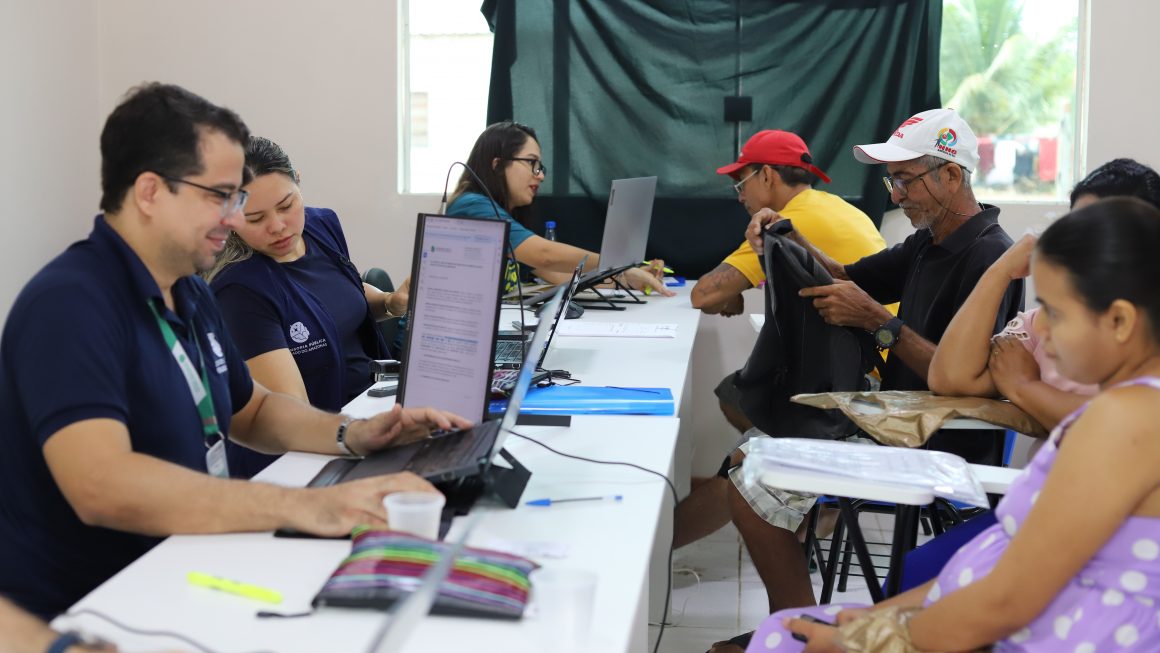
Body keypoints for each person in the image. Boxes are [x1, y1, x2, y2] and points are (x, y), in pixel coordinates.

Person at [0, 83, 471, 620]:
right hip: (94, 608)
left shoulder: (189, 291)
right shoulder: (71, 304)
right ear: (150, 192)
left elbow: (254, 409)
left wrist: (353, 434)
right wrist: (305, 505)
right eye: (219, 196)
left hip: (187, 560)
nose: (233, 217)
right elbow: (101, 485)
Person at [749, 196, 1160, 652]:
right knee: (789, 632)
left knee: (782, 639)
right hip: (983, 613)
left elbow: (1007, 600)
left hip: (1055, 634)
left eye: (1055, 313)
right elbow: (1007, 563)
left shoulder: (1124, 422)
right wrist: (880, 618)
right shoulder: (1123, 410)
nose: (1039, 331)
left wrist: (868, 639)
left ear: (1120, 320)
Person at [712, 108, 1024, 653]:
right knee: (750, 453)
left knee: (749, 477)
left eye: (906, 180)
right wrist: (785, 234)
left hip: (939, 437)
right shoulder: (930, 242)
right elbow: (846, 277)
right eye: (893, 181)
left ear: (951, 175)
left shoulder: (987, 255)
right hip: (898, 416)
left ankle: (797, 630)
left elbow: (971, 382)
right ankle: (797, 625)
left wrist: (879, 322)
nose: (897, 196)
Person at [677, 129, 892, 547]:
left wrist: (732, 290)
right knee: (734, 393)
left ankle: (653, 545)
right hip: (868, 364)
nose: (739, 196)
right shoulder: (833, 207)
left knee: (747, 458)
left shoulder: (793, 219)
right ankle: (813, 503)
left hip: (865, 383)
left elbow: (704, 294)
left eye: (741, 183)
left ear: (768, 176)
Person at [206, 136, 405, 478]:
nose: (278, 226)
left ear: (298, 180)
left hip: (370, 411)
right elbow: (289, 417)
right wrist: (359, 434)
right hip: (311, 457)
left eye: (286, 206)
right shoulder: (240, 290)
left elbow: (342, 295)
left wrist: (390, 302)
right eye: (255, 219)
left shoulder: (321, 226)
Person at [930, 158, 1160, 429]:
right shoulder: (1048, 322)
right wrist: (999, 272)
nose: (1080, 246)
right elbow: (951, 378)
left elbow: (1130, 422)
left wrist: (1024, 387)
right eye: (1076, 228)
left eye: (1098, 233)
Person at [446, 121, 674, 296]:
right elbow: (544, 256)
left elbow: (558, 275)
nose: (541, 175)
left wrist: (625, 277)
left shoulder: (501, 214)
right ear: (497, 165)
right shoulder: (472, 207)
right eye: (532, 163)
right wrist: (618, 263)